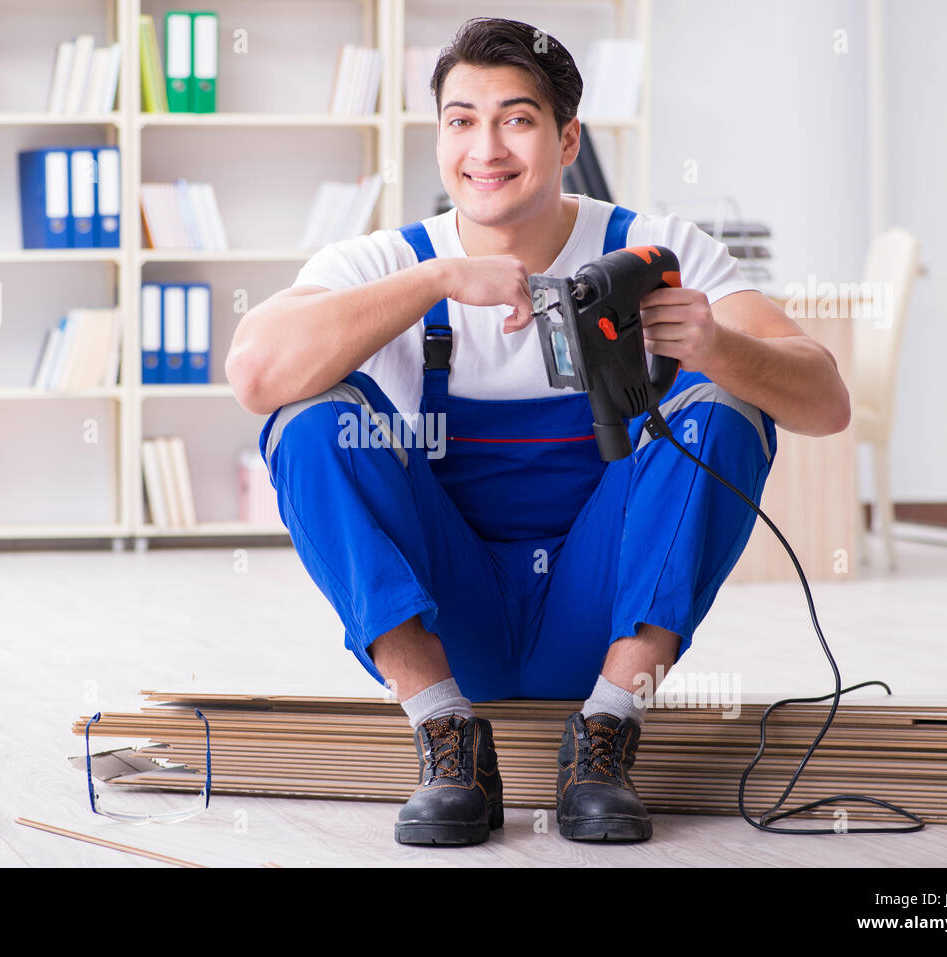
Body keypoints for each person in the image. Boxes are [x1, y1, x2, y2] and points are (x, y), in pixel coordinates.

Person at [225, 16, 850, 847]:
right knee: (307, 419)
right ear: (439, 135)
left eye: (516, 118)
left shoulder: (652, 250)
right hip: (452, 621)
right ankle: (446, 736)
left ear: (567, 138)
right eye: (461, 120)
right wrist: (441, 278)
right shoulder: (390, 262)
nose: (485, 147)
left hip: (603, 621)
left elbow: (826, 402)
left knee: (724, 402)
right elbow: (255, 375)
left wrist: (712, 345)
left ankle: (605, 738)